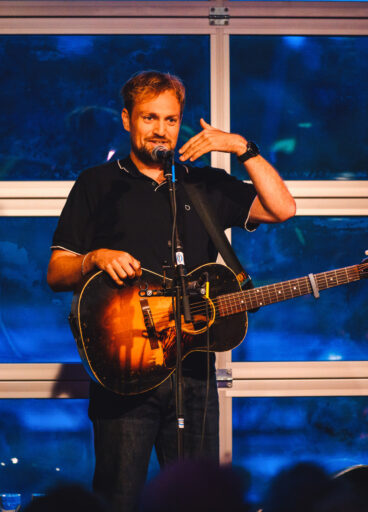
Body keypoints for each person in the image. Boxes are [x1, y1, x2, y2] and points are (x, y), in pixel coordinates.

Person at [47, 70, 295, 512]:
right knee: (117, 500)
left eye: (171, 119)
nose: (161, 129)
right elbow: (56, 271)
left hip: (194, 372)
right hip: (124, 372)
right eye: (149, 118)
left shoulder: (204, 185)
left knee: (198, 502)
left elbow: (283, 208)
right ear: (127, 120)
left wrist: (242, 148)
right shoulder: (96, 184)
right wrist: (94, 258)